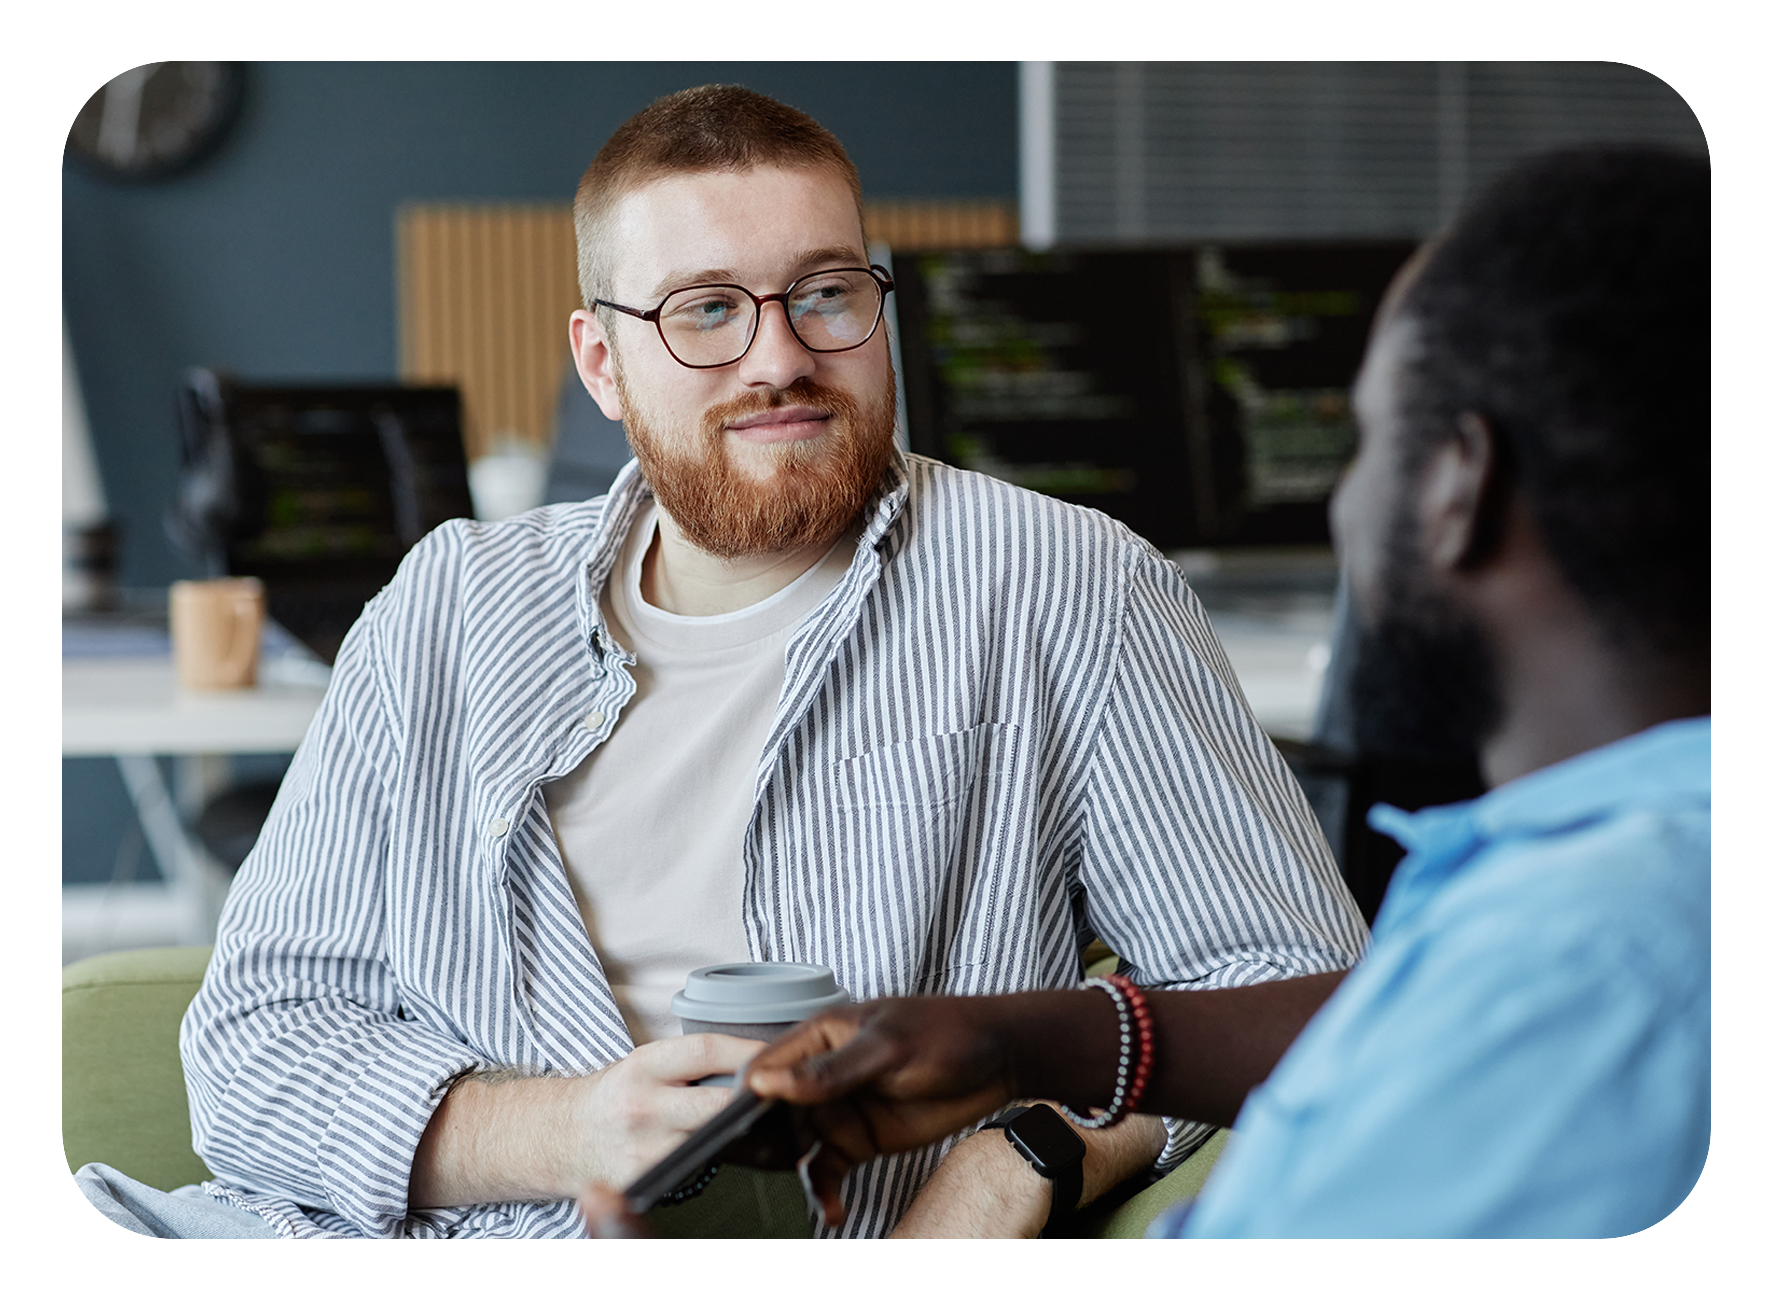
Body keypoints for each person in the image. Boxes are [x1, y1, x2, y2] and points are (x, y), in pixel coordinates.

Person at [71, 85, 1366, 1240]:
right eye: (704, 310)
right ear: (602, 363)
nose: (780, 357)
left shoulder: (1062, 584)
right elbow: (253, 1051)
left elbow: (1298, 1003)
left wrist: (1019, 1157)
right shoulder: (447, 607)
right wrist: (568, 1130)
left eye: (826, 293)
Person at [717, 143, 1710, 1239]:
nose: (1340, 501)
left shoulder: (1577, 965)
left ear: (1456, 487)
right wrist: (1026, 1043)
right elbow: (1397, 1020)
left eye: (1368, 440)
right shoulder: (1644, 878)